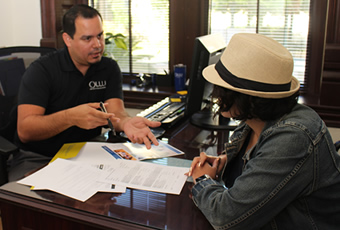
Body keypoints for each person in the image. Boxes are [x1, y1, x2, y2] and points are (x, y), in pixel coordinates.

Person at [187, 33, 340, 229]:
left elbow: (225, 217)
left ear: (245, 98)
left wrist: (202, 179)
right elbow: (259, 164)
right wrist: (225, 162)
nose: (216, 94)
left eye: (221, 88)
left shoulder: (293, 138)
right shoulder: (255, 118)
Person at [8, 4, 161, 181]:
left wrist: (126, 123)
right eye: (87, 38)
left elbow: (116, 112)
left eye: (100, 36)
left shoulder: (109, 68)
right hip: (39, 157)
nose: (97, 45)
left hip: (89, 152)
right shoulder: (42, 70)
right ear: (68, 39)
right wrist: (70, 117)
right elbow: (25, 131)